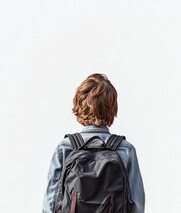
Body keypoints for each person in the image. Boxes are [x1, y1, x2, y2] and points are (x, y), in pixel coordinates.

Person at [42, 73, 145, 213]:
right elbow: (136, 204)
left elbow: (51, 201)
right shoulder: (125, 150)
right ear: (112, 107)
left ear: (78, 104)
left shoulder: (65, 148)